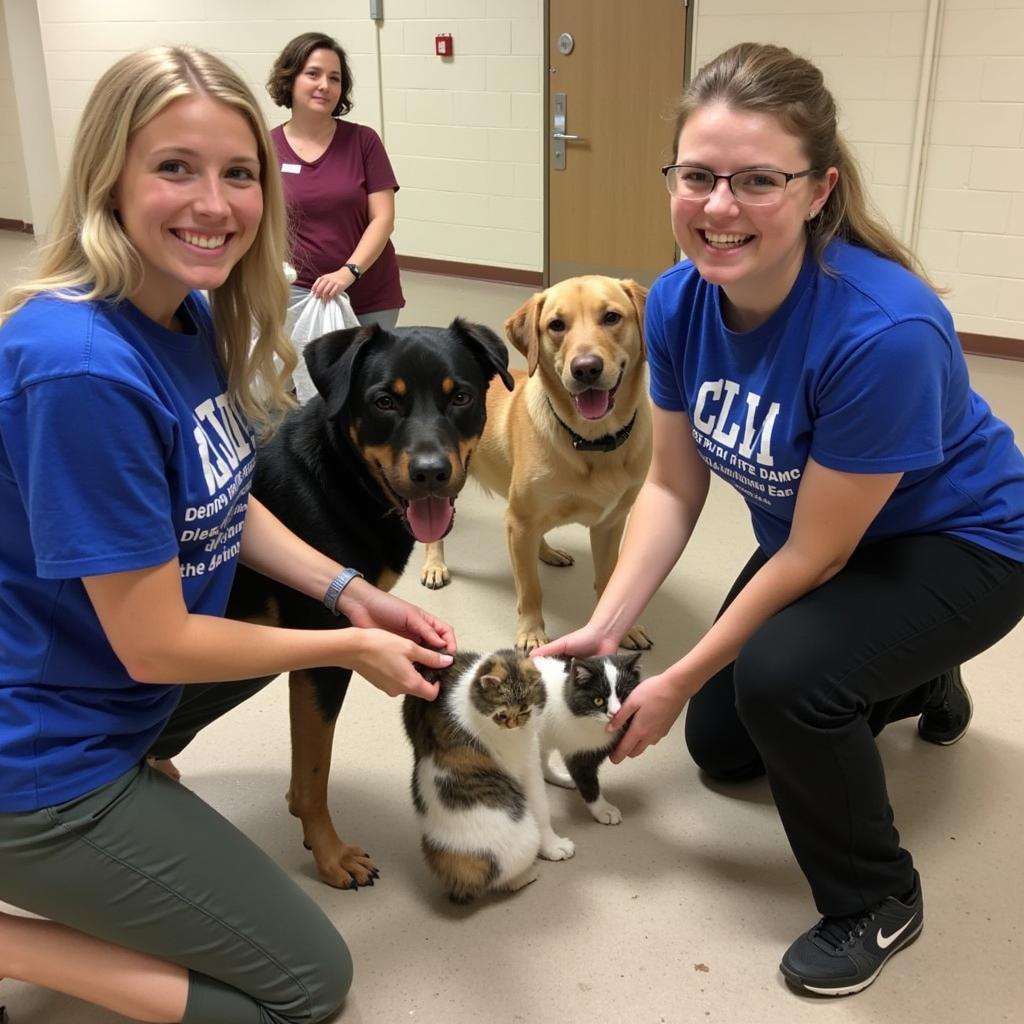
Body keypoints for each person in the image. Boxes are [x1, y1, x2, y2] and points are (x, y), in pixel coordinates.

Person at [534, 42, 1024, 997]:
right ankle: (917, 677)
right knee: (725, 750)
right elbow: (673, 490)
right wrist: (600, 627)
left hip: (963, 545)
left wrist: (673, 676)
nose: (719, 207)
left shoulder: (883, 332)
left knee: (786, 683)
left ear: (817, 190)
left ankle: (877, 897)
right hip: (832, 540)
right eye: (698, 175)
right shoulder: (676, 303)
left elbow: (815, 550)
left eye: (758, 180)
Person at [0, 46, 455, 1024]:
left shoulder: (185, 307)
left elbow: (222, 496)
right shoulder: (81, 366)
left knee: (257, 643)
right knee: (304, 988)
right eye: (175, 167)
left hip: (103, 714)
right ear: (107, 178)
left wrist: (345, 590)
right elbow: (156, 639)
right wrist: (349, 644)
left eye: (238, 173)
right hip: (37, 759)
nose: (214, 203)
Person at [267, 31, 404, 330]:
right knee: (296, 377)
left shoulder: (363, 140)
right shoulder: (266, 147)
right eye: (313, 74)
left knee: (364, 377)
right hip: (297, 295)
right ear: (290, 79)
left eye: (334, 78)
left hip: (368, 294)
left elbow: (383, 218)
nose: (324, 86)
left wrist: (348, 272)